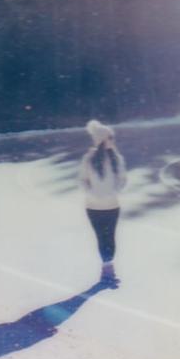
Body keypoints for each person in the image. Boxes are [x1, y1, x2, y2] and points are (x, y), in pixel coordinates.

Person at [79, 120, 127, 282]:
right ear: (102, 139)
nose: (112, 140)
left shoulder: (117, 158)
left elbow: (122, 180)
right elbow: (82, 180)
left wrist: (112, 191)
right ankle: (107, 268)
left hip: (112, 205)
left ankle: (108, 266)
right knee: (102, 237)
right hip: (93, 206)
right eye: (110, 137)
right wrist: (93, 192)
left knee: (109, 236)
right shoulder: (89, 159)